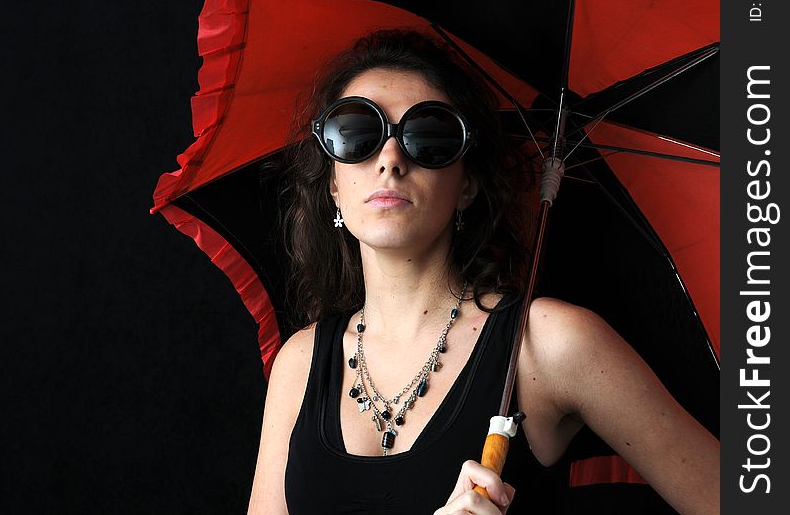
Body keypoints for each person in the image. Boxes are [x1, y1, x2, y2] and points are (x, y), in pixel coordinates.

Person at [247, 29, 719, 514]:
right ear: (332, 184)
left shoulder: (546, 345)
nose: (389, 160)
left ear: (467, 185)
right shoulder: (299, 365)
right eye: (357, 134)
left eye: (428, 137)